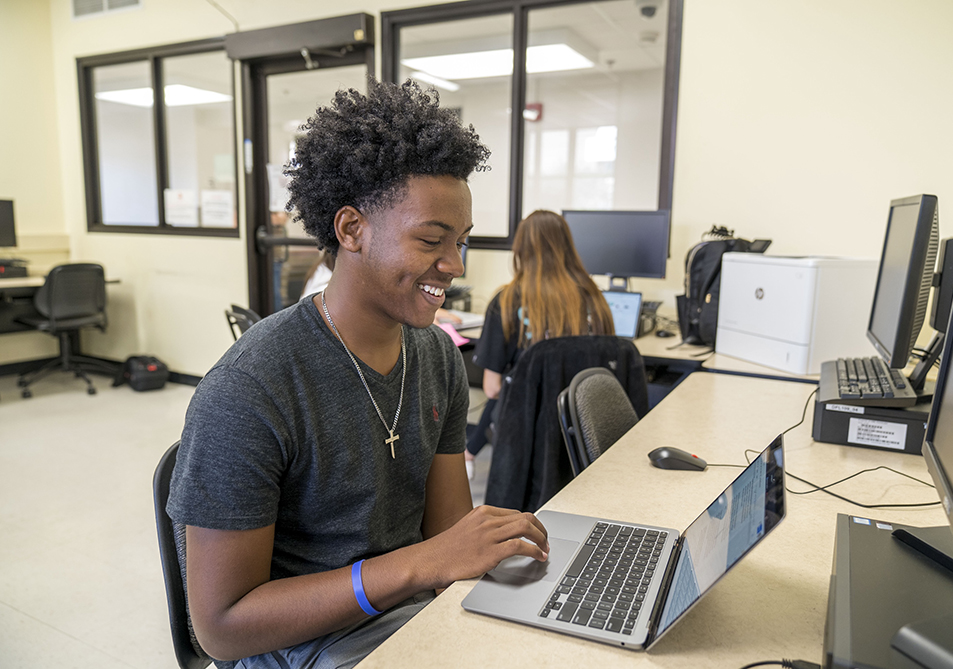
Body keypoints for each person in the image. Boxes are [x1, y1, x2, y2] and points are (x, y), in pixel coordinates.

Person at [166, 79, 549, 669]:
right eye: (431, 240)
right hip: (304, 649)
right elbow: (222, 629)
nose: (454, 265)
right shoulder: (250, 389)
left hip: (411, 614)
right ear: (351, 230)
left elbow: (447, 540)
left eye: (462, 242)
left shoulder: (437, 355)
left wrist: (487, 560)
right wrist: (421, 565)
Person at [467, 210, 616, 472]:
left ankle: (468, 455)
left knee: (505, 390)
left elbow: (492, 389)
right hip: (583, 425)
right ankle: (469, 453)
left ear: (520, 250)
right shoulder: (596, 298)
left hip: (526, 432)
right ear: (567, 247)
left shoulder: (506, 301)